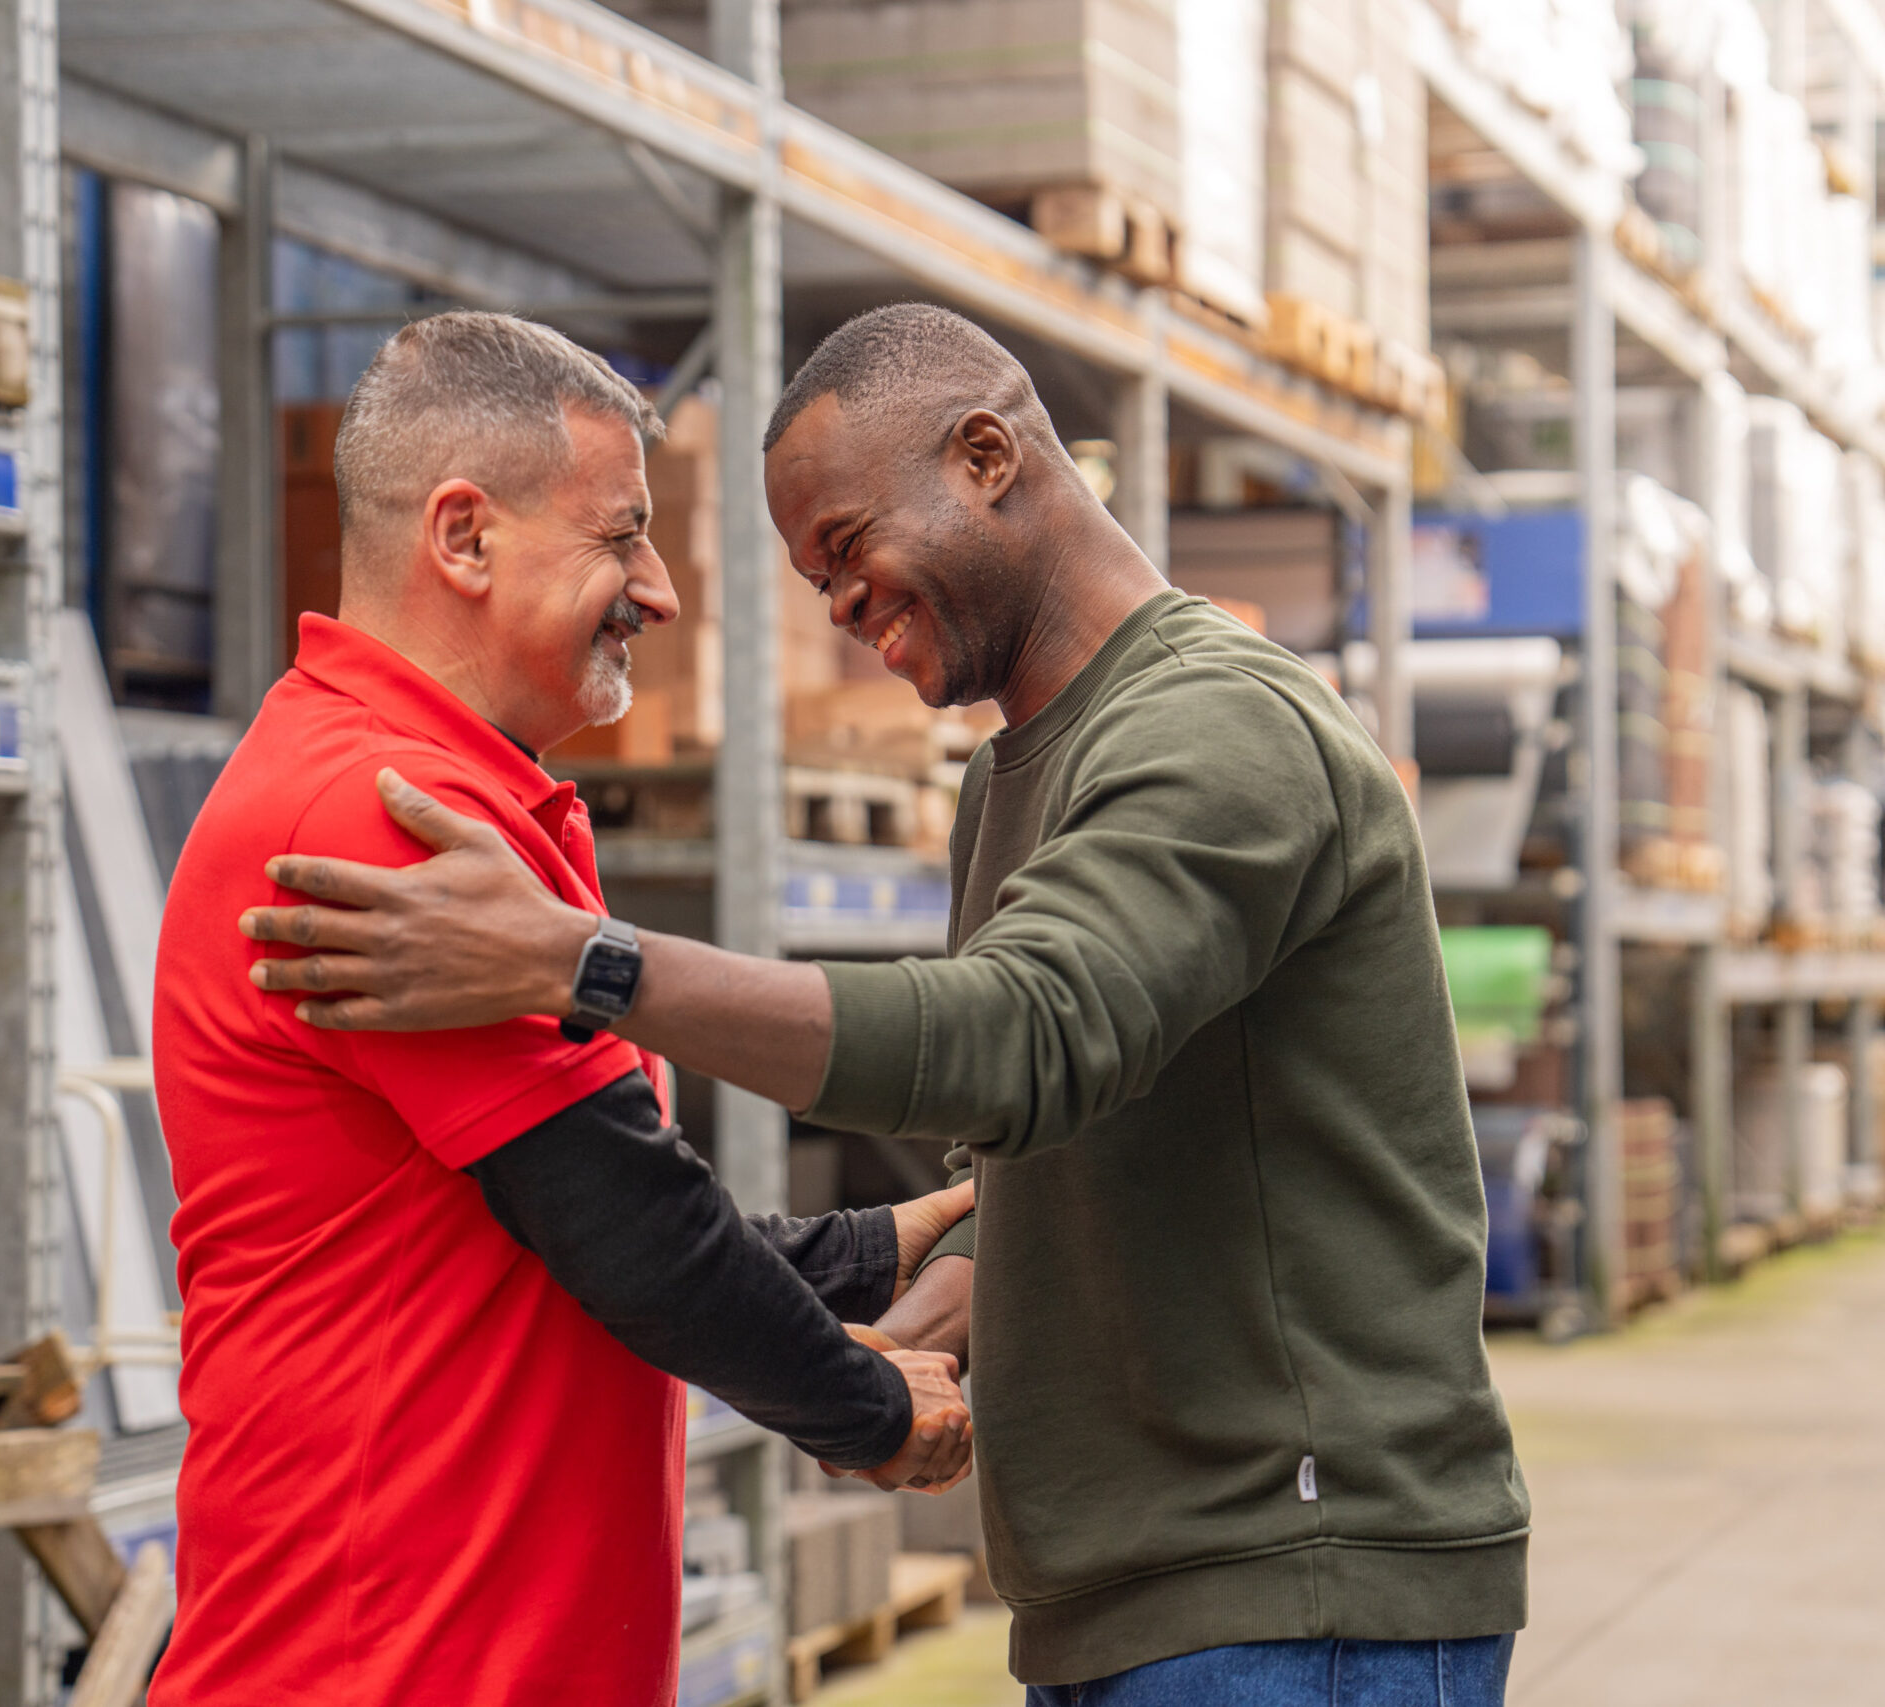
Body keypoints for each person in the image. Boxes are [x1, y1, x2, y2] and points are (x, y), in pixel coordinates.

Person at [239, 303, 1532, 1707]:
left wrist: (586, 961)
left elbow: (1025, 1037)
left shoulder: (1219, 730)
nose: (843, 612)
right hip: (1152, 1590)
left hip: (1295, 1582)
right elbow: (1074, 1121)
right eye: (815, 583)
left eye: (849, 551)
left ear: (987, 456)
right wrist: (954, 1279)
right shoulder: (1011, 779)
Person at [149, 311, 975, 1707]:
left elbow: (547, 1241)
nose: (657, 589)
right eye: (619, 536)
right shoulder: (377, 812)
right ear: (463, 539)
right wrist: (875, 1415)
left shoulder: (472, 804)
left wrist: (873, 1247)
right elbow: (626, 1228)